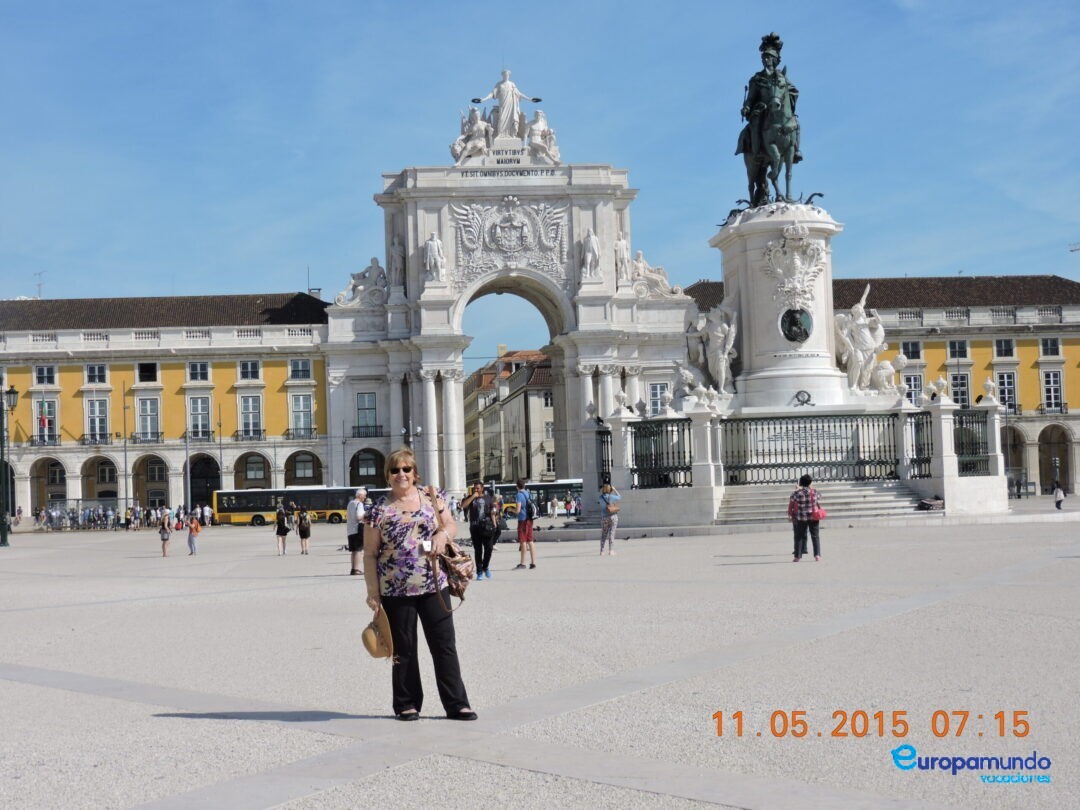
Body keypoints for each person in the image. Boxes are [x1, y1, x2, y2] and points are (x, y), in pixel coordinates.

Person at [363, 447, 476, 721]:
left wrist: (441, 535)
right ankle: (406, 703)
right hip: (395, 588)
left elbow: (450, 525)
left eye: (406, 469)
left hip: (434, 583)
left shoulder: (432, 497)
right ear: (388, 476)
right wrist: (373, 593)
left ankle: (457, 703)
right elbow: (369, 554)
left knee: (444, 644)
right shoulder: (378, 509)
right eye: (395, 470)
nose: (401, 474)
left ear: (415, 473)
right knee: (403, 648)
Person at [472, 69, 538, 139]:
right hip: (503, 105)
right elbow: (492, 94)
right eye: (504, 74)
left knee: (512, 119)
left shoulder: (512, 84)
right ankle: (501, 135)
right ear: (502, 75)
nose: (506, 76)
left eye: (507, 74)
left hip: (511, 106)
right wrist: (483, 99)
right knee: (501, 119)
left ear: (509, 75)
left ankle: (512, 135)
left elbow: (519, 93)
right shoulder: (499, 84)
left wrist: (530, 99)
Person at [461, 481, 497, 580]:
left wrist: (494, 523)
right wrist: (473, 497)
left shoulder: (488, 498)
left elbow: (493, 511)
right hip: (475, 527)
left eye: (477, 488)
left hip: (486, 527)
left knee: (489, 548)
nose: (476, 490)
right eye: (474, 488)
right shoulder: (470, 498)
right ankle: (479, 572)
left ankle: (486, 567)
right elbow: (463, 506)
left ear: (482, 488)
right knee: (478, 550)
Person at [787, 474, 822, 562]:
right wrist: (811, 487)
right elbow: (819, 498)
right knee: (815, 536)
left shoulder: (796, 493)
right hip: (813, 517)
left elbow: (791, 503)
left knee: (799, 537)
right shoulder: (814, 492)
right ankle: (817, 555)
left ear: (801, 483)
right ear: (810, 482)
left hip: (801, 517)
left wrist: (790, 515)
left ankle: (797, 556)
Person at [512, 478, 536, 570]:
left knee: (523, 542)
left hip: (523, 520)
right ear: (524, 485)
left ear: (517, 486)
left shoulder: (518, 495)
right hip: (530, 519)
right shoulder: (527, 493)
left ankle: (522, 563)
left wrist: (511, 510)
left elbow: (518, 510)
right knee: (530, 541)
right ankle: (533, 563)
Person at [346, 488, 367, 575]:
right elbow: (359, 517)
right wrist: (366, 514)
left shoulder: (350, 503)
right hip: (357, 528)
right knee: (358, 550)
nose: (365, 498)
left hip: (350, 529)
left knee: (353, 550)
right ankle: (357, 569)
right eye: (364, 496)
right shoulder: (359, 504)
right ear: (360, 495)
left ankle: (353, 568)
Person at [597, 483, 621, 555]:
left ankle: (602, 551)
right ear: (609, 489)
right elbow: (619, 497)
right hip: (612, 516)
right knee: (612, 533)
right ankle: (611, 551)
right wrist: (614, 489)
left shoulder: (600, 497)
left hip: (604, 517)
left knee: (603, 534)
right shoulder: (612, 497)